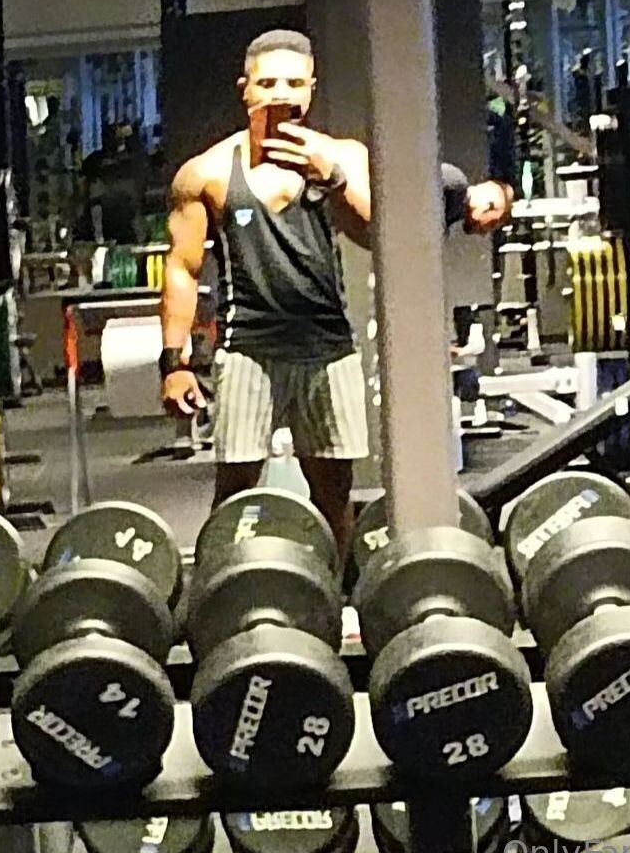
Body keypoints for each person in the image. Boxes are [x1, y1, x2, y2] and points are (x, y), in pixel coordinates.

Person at [161, 29, 512, 556]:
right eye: (267, 83)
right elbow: (182, 269)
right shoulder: (205, 173)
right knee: (235, 488)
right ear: (245, 90)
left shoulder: (343, 158)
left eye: (293, 83)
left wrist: (334, 181)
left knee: (334, 492)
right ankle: (220, 585)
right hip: (247, 347)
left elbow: (378, 236)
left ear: (311, 89)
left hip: (328, 347)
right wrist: (175, 362)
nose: (281, 94)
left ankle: (338, 591)